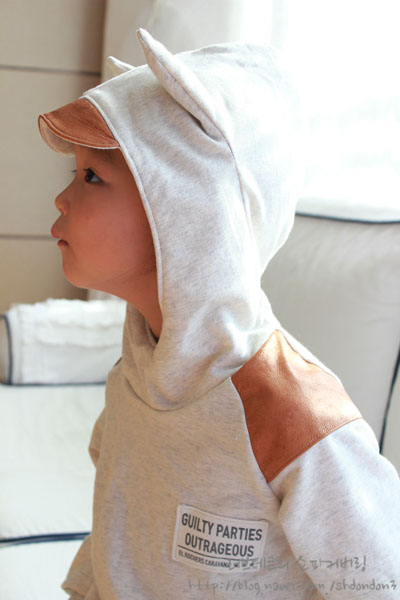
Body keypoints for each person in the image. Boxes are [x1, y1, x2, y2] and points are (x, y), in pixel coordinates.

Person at [38, 29, 399, 600]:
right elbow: (116, 536)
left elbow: (380, 579)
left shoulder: (291, 413)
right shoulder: (135, 374)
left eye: (92, 177)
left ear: (187, 212)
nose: (62, 198)